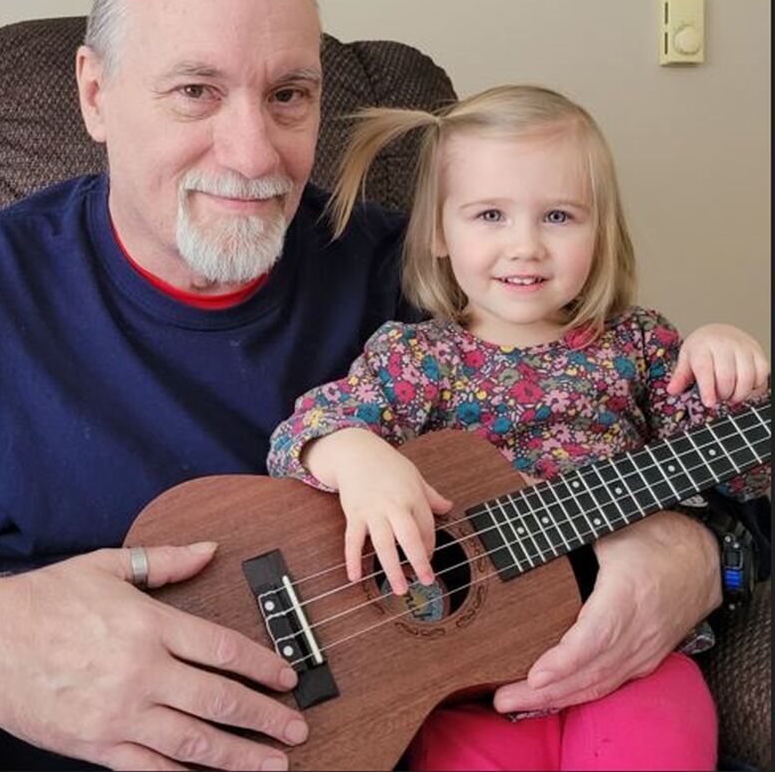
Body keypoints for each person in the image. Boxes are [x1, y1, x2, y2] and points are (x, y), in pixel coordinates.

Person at [0, 0, 767, 770]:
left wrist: (701, 555)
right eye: (195, 90)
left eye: (289, 95)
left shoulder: (426, 275)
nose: (254, 155)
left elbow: (693, 444)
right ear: (94, 93)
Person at [266, 85, 770, 770]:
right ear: (441, 232)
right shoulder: (417, 358)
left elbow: (742, 474)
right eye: (491, 215)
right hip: (463, 686)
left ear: (602, 228)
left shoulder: (642, 347)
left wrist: (727, 364)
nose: (525, 245)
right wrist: (355, 454)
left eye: (559, 215)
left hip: (628, 661)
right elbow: (305, 430)